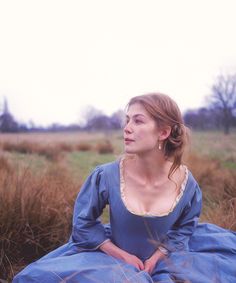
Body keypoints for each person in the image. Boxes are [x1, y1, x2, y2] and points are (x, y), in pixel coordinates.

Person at [13, 93, 236, 283]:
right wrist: (121, 255)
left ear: (163, 133)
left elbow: (185, 227)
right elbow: (83, 224)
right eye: (127, 120)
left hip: (168, 260)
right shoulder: (107, 175)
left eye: (138, 121)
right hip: (111, 260)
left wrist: (159, 256)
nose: (126, 129)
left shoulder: (187, 183)